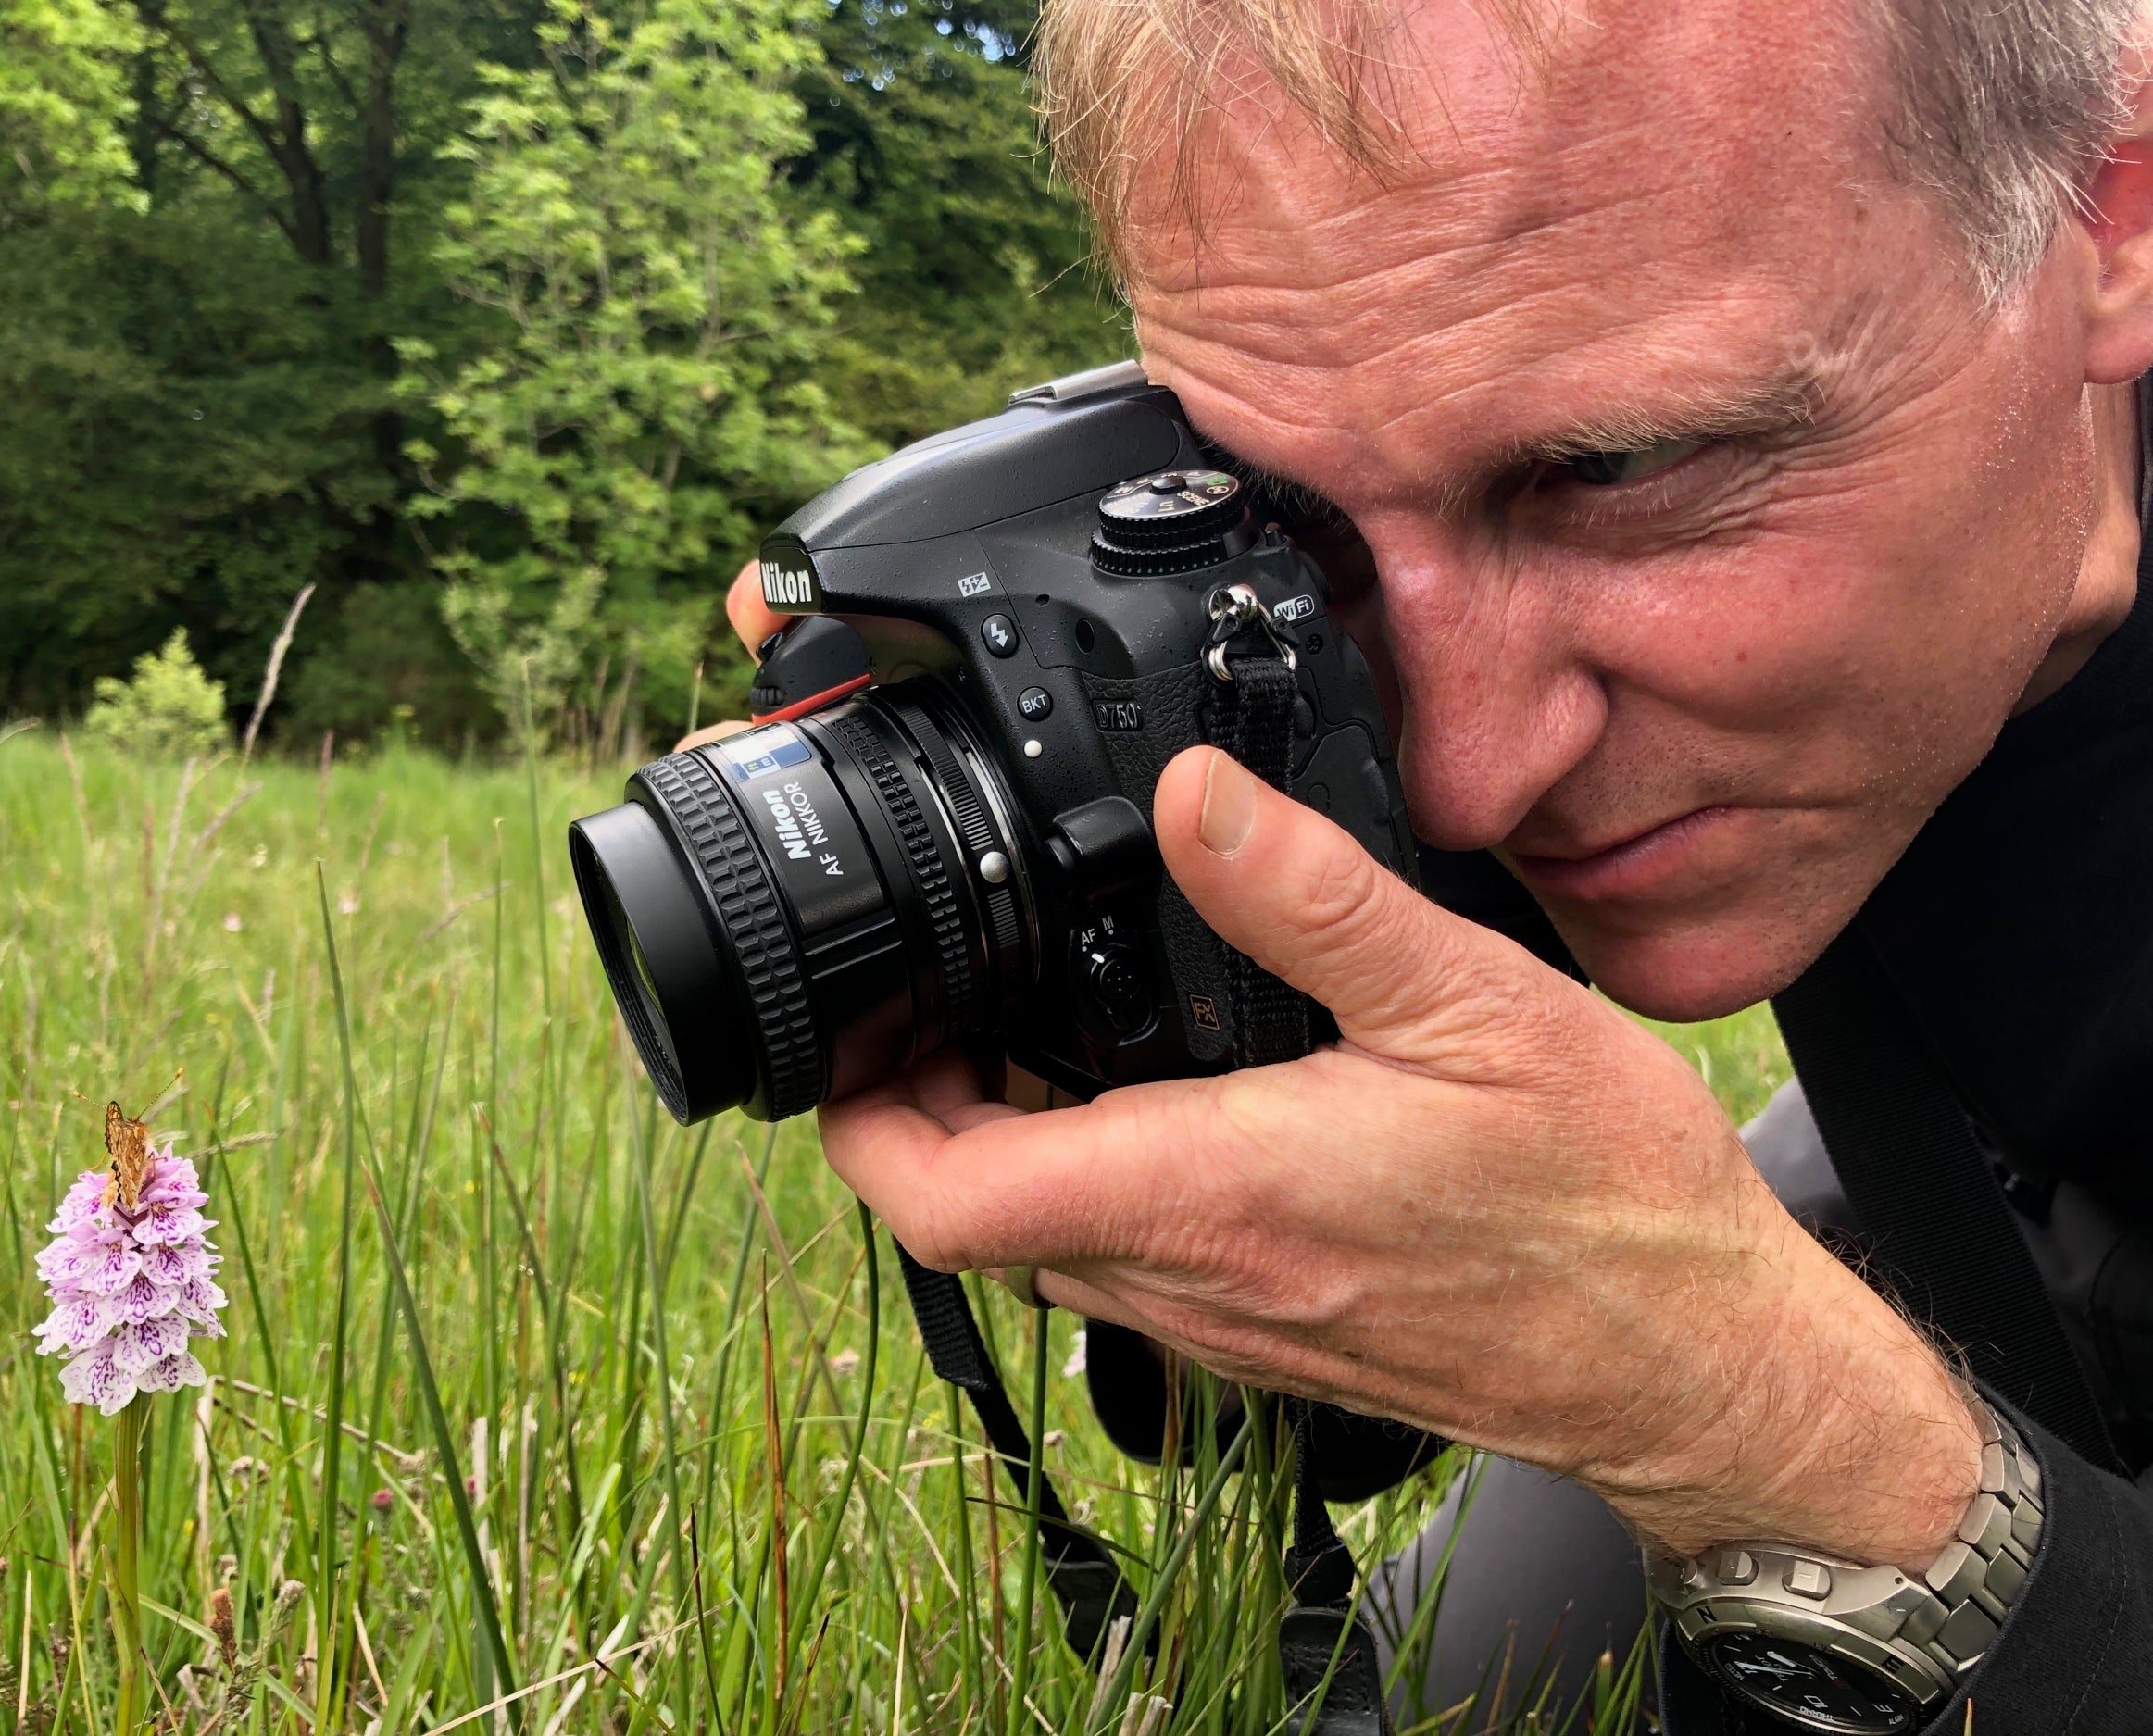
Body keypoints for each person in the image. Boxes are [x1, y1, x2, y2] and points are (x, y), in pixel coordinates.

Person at [704, 0, 2153, 1724]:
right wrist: (1174, 1082)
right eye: (1290, 517)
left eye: (1619, 469)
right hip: (1998, 1192)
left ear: (2104, 214)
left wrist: (1762, 1413)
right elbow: (1322, 1436)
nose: (1467, 782)